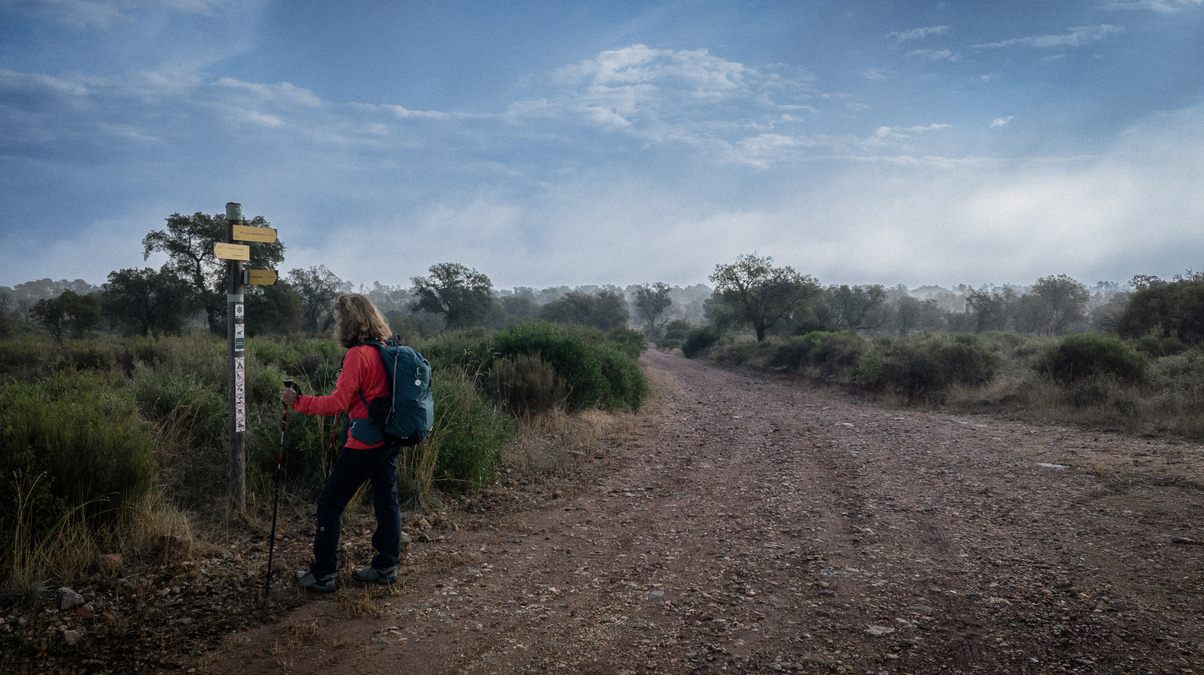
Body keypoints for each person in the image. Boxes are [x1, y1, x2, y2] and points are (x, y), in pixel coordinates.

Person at [282, 293, 404, 592]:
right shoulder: (386, 349)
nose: (337, 322)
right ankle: (386, 566)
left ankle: (323, 574)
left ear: (348, 321)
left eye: (339, 318)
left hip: (365, 442)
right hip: (389, 437)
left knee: (329, 502)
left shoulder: (357, 356)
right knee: (386, 500)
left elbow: (337, 404)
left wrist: (298, 402)